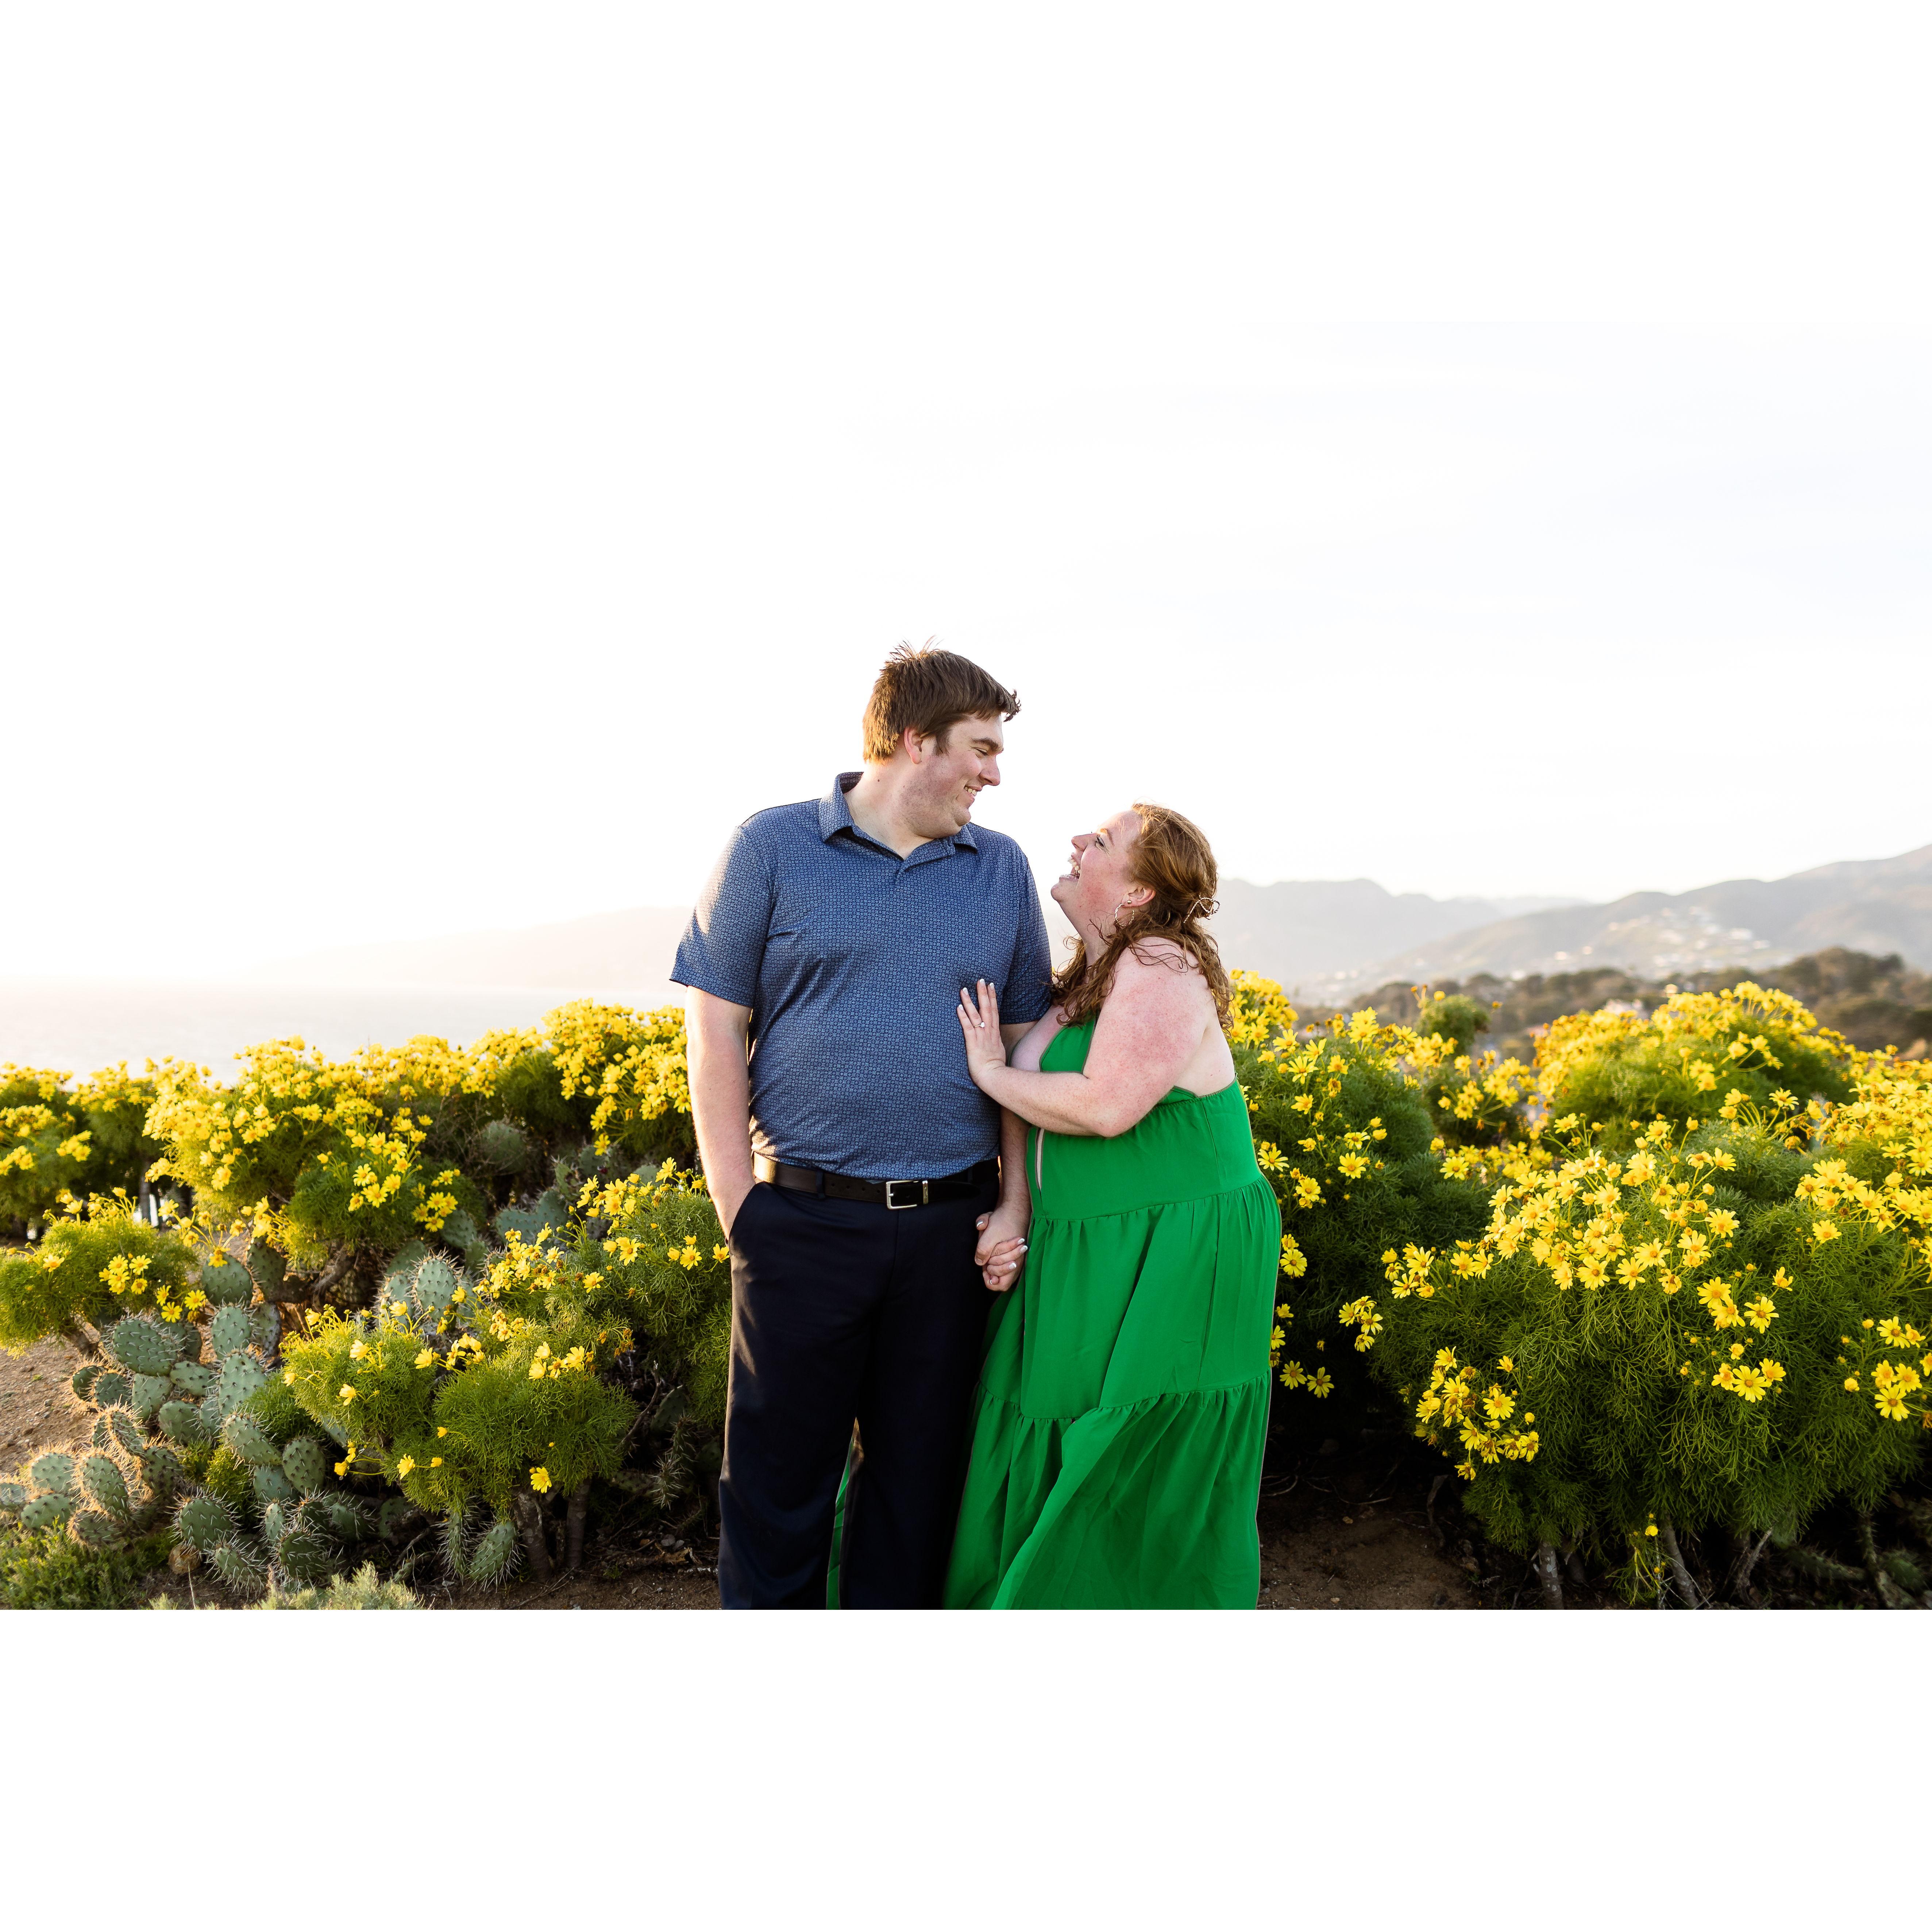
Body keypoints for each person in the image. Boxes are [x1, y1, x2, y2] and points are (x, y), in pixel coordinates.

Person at [674, 645, 1051, 1609]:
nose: (994, 774)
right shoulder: (770, 846)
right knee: (776, 1495)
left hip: (950, 1231)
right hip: (800, 1224)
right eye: (981, 748)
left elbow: (1022, 1056)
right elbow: (713, 1032)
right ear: (916, 741)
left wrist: (1013, 1203)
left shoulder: (1001, 868)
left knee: (917, 1496)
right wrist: (741, 1210)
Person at [943, 803, 1276, 1608]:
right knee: (1052, 1415)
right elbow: (1034, 1102)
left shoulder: (1161, 961)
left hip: (1177, 1243)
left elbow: (1105, 1105)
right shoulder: (1089, 976)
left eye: (1100, 841)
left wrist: (990, 1071)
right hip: (1087, 1240)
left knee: (1132, 1440)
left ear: (1136, 892)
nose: (1075, 842)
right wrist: (1016, 1208)